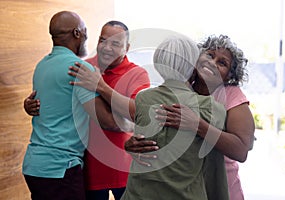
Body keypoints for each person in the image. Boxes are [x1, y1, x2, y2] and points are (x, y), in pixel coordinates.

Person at [24, 20, 150, 200]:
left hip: (123, 169)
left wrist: (101, 86)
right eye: (102, 40)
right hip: (87, 169)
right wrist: (30, 104)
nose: (106, 47)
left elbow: (138, 112)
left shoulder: (137, 74)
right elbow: (58, 97)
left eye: (115, 43)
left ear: (127, 47)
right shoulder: (81, 67)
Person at [125, 34, 255, 200]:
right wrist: (134, 144)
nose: (212, 62)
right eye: (209, 55)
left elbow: (241, 150)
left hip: (220, 185)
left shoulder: (232, 97)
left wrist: (199, 126)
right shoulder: (179, 91)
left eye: (222, 63)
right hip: (185, 186)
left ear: (229, 76)